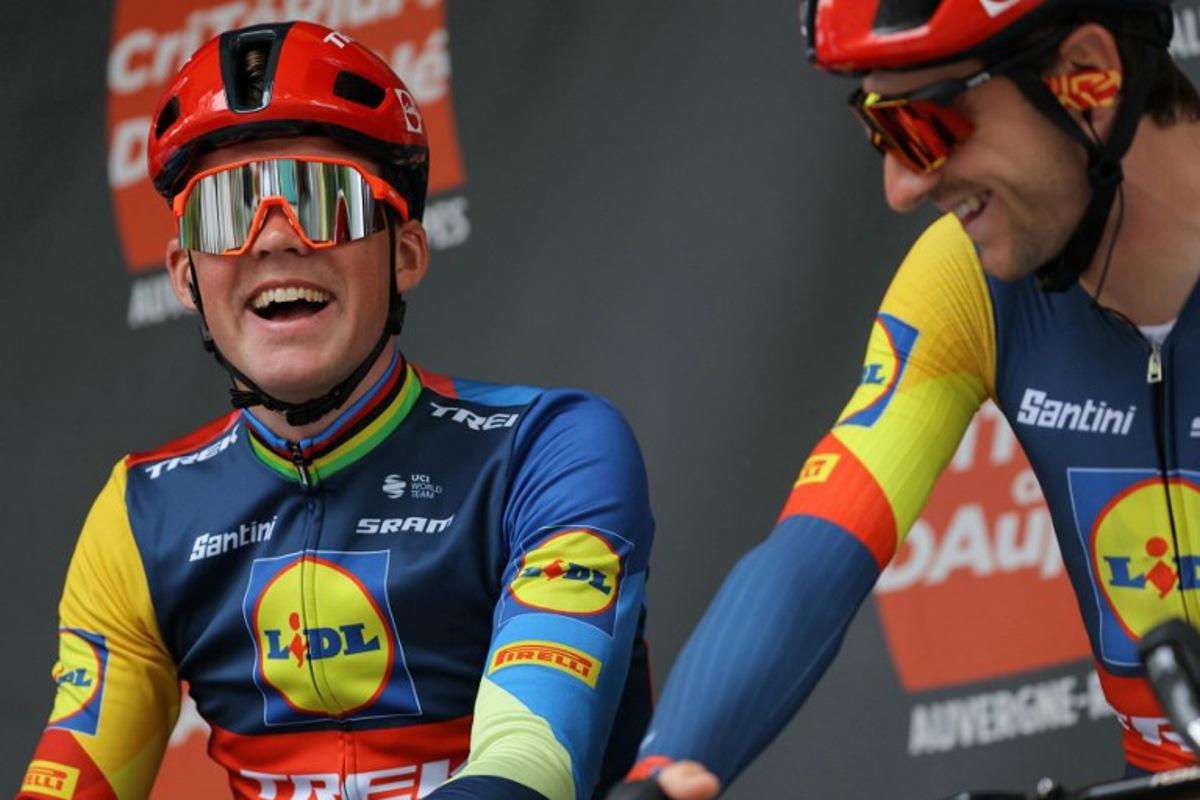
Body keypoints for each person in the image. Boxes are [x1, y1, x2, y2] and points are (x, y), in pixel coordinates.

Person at [20, 21, 655, 800]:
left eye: (325, 199)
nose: (274, 241)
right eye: (228, 210)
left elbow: (530, 761)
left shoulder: (544, 451)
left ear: (405, 253)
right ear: (185, 276)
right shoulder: (141, 515)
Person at [615, 0, 1200, 797]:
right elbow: (811, 558)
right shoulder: (968, 280)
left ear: (1084, 74)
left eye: (927, 123)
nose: (900, 186)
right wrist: (664, 771)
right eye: (880, 130)